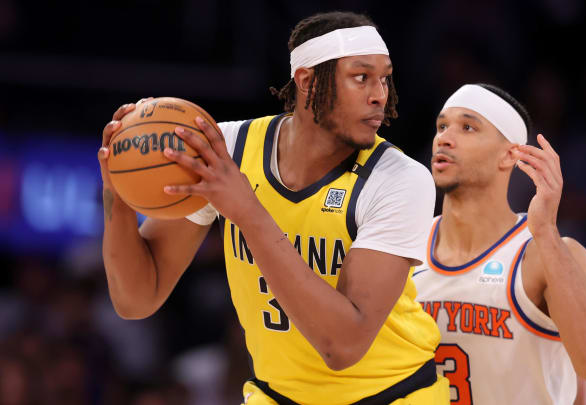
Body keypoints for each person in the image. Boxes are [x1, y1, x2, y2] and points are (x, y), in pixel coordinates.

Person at [97, 11, 449, 405]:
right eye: (361, 76)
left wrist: (249, 213)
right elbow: (137, 298)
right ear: (308, 82)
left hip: (391, 395)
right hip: (278, 395)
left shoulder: (401, 179)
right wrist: (121, 192)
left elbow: (343, 346)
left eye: (384, 78)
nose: (380, 94)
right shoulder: (225, 149)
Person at [412, 83, 586, 404]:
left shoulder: (544, 252)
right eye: (442, 126)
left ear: (510, 154)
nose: (444, 138)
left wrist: (546, 231)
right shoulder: (405, 247)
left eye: (467, 127)